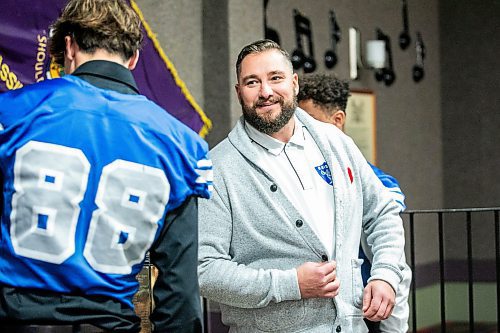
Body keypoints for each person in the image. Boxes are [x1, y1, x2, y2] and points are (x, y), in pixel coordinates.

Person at [0, 0, 212, 332]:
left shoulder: (12, 113)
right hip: (111, 324)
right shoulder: (181, 145)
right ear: (133, 58)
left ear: (68, 46)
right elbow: (180, 295)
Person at [198, 39, 406, 333]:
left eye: (275, 78)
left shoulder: (336, 143)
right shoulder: (217, 168)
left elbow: (382, 212)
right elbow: (205, 270)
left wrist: (385, 273)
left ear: (294, 83)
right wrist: (290, 284)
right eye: (252, 82)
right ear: (238, 92)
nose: (265, 92)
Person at [297, 73, 411, 333]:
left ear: (337, 121)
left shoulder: (376, 183)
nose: (303, 131)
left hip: (362, 310)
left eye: (310, 121)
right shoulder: (297, 178)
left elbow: (395, 262)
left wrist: (394, 329)